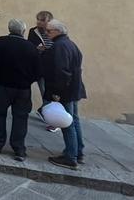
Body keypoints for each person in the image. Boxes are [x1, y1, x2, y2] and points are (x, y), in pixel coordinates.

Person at [0, 19, 41, 160]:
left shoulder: (1, 42)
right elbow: (38, 72)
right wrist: (28, 80)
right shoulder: (31, 47)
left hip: (4, 86)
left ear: (9, 29)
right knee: (21, 118)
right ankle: (19, 149)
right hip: (23, 89)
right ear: (23, 31)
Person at [42, 19, 87, 170]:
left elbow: (62, 72)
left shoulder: (60, 46)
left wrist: (57, 93)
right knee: (73, 120)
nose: (46, 34)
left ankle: (70, 157)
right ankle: (77, 151)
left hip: (65, 91)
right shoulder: (70, 44)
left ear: (57, 31)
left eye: (49, 31)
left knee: (66, 123)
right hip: (74, 89)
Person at [28, 10, 55, 119]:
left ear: (49, 22)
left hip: (50, 67)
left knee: (47, 92)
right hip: (37, 66)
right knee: (42, 91)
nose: (39, 22)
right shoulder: (33, 31)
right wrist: (37, 49)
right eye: (38, 19)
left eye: (42, 20)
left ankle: (45, 112)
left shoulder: (54, 32)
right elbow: (29, 47)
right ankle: (46, 114)